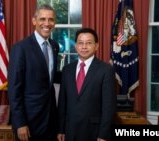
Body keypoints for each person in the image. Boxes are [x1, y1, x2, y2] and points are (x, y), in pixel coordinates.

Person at [8, 4, 60, 141]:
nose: (47, 24)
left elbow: (50, 77)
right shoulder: (21, 48)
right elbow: (14, 89)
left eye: (51, 20)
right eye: (42, 19)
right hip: (29, 122)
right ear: (34, 21)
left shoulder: (54, 46)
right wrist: (20, 123)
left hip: (50, 120)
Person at [57, 28, 117, 141]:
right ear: (76, 45)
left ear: (96, 46)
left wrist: (103, 134)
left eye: (89, 43)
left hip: (94, 132)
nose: (84, 47)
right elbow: (62, 103)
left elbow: (109, 106)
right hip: (69, 131)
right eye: (80, 43)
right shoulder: (67, 70)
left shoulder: (106, 70)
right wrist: (61, 129)